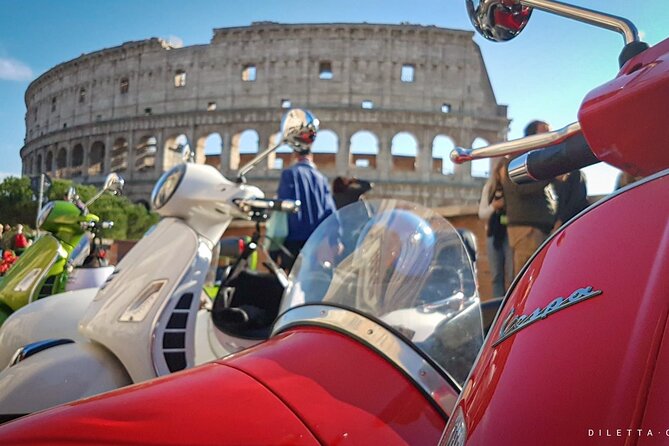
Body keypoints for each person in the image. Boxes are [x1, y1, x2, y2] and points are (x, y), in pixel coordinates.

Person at [501, 120, 556, 275]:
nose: (550, 135)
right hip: (527, 230)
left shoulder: (536, 159)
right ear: (533, 136)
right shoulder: (520, 161)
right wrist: (550, 175)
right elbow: (522, 189)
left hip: (538, 228)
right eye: (545, 131)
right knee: (529, 276)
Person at [275, 145, 337, 271]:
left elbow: (283, 204)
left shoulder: (289, 174)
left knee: (291, 276)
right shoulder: (321, 179)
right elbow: (330, 210)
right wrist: (334, 239)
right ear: (311, 157)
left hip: (293, 236)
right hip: (316, 237)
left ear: (295, 156)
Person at [478, 159, 513, 297]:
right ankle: (497, 306)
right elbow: (482, 213)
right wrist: (494, 206)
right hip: (494, 233)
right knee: (496, 275)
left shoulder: (515, 187)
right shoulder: (490, 187)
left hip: (511, 232)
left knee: (512, 275)